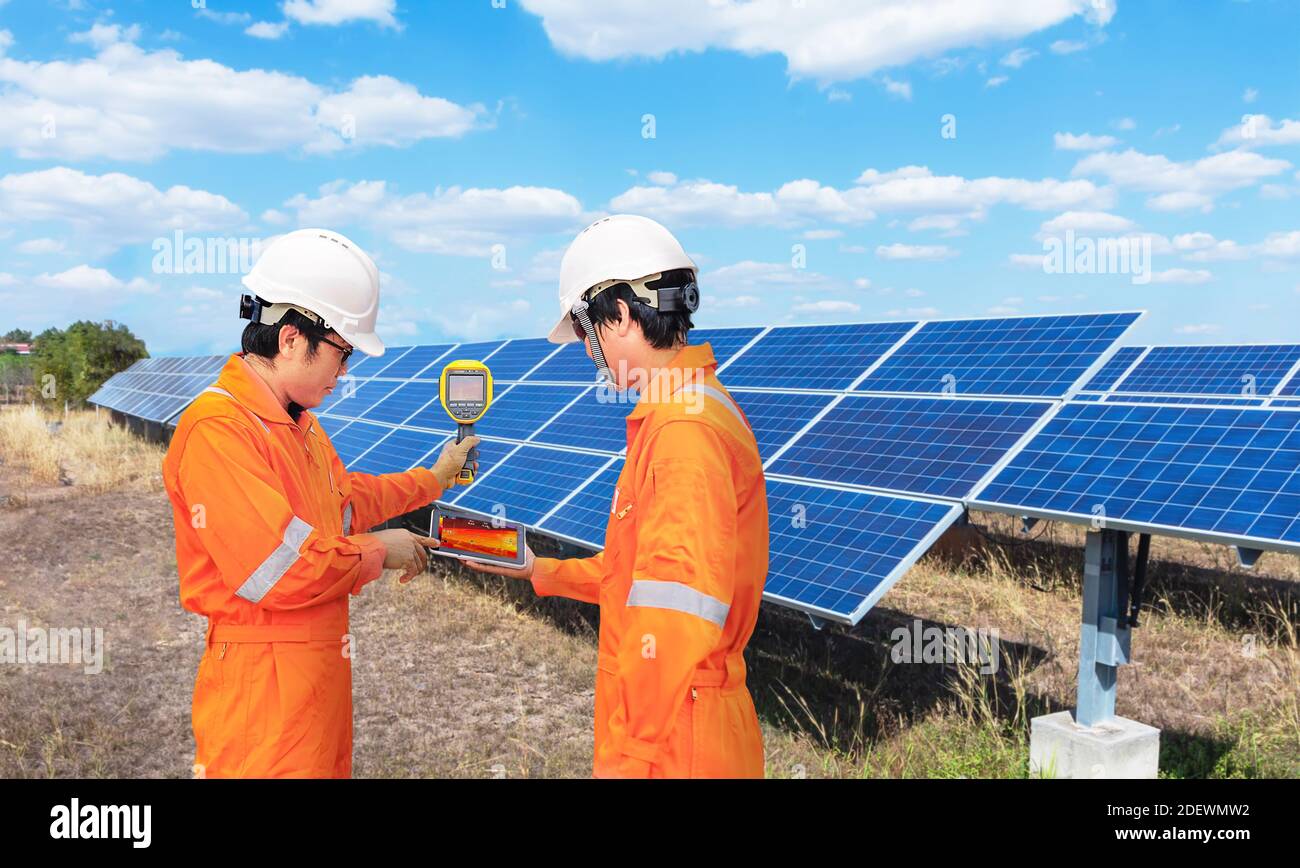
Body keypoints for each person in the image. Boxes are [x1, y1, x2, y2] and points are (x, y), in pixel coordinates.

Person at [162, 228, 478, 778]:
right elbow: (280, 572)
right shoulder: (219, 430)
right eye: (342, 352)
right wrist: (377, 551)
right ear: (290, 338)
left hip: (312, 682)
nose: (345, 372)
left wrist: (433, 478)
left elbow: (344, 505)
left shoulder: (296, 425)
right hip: (263, 694)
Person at [468, 215, 769, 778]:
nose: (586, 350)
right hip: (678, 727)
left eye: (586, 329)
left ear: (623, 315)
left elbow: (674, 620)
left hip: (677, 741)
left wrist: (628, 761)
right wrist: (544, 571)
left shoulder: (684, 433)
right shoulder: (685, 410)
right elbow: (643, 578)